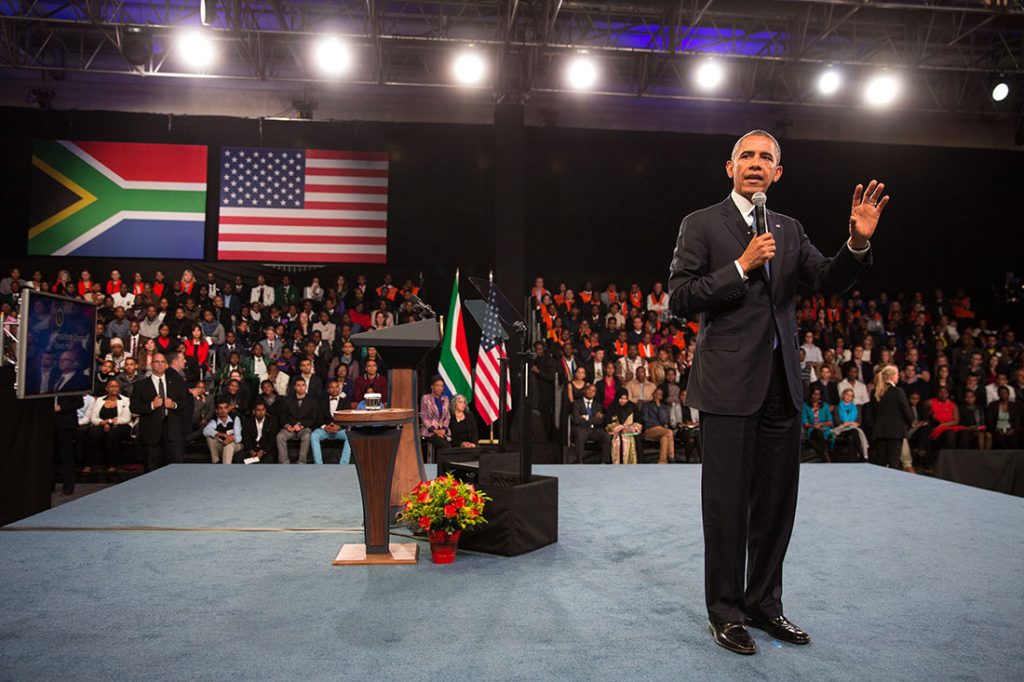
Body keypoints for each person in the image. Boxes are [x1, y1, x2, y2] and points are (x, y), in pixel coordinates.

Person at [668, 129, 886, 654]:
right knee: (726, 507)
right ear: (730, 167)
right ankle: (725, 612)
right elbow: (680, 297)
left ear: (778, 172)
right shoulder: (701, 223)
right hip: (727, 387)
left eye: (766, 157)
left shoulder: (790, 229)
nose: (756, 163)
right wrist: (741, 266)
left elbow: (828, 280)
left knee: (775, 506)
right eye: (746, 155)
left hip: (782, 387)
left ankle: (764, 604)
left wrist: (857, 243)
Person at [130, 353, 189, 471]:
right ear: (151, 364)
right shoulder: (141, 385)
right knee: (152, 469)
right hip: (151, 433)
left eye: (162, 362)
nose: (160, 364)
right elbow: (134, 407)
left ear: (167, 365)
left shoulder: (177, 383)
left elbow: (185, 403)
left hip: (172, 432)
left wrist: (173, 405)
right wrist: (152, 405)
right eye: (157, 362)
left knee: (174, 470)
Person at [84, 378, 132, 473]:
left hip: (120, 425)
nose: (114, 389)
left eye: (116, 386)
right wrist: (102, 423)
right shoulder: (99, 400)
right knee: (94, 433)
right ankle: (91, 464)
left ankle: (112, 464)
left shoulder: (126, 400)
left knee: (112, 434)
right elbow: (93, 417)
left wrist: (109, 422)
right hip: (101, 424)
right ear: (107, 388)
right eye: (112, 386)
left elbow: (126, 418)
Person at [871, 365, 914, 469]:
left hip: (880, 431)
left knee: (881, 462)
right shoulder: (898, 391)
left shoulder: (876, 392)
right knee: (893, 462)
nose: (898, 377)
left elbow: (874, 412)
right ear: (892, 377)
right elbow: (906, 411)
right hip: (895, 432)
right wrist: (909, 423)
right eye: (897, 374)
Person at [310, 380, 353, 464]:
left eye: (336, 387)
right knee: (314, 435)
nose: (334, 389)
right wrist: (325, 427)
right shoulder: (322, 402)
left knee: (350, 436)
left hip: (340, 430)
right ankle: (318, 464)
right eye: (332, 387)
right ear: (328, 390)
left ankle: (344, 463)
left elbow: (347, 419)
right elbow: (319, 418)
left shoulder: (346, 402)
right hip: (326, 430)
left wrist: (339, 427)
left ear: (339, 389)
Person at [276, 378, 317, 463]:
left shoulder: (312, 401)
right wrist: (288, 425)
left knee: (307, 436)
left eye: (303, 385)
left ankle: (301, 462)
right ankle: (284, 463)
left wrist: (301, 425)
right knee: (280, 436)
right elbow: (283, 416)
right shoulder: (287, 400)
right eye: (298, 385)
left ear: (306, 386)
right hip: (290, 427)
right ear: (294, 387)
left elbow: (313, 418)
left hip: (304, 428)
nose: (301, 387)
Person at [570, 383, 611, 464]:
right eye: (589, 390)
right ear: (585, 390)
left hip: (594, 430)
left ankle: (604, 462)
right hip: (581, 429)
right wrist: (593, 418)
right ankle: (579, 462)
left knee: (606, 436)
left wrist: (586, 417)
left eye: (593, 391)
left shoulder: (598, 405)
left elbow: (600, 421)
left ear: (595, 393)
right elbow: (576, 419)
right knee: (580, 435)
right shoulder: (577, 403)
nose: (591, 392)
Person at [605, 388, 642, 464]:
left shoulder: (632, 407)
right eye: (621, 398)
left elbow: (638, 421)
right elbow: (608, 423)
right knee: (616, 440)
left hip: (630, 432)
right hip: (617, 432)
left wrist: (631, 428)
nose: (623, 401)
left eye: (625, 399)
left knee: (636, 439)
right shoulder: (612, 407)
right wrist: (620, 428)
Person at [640, 386, 675, 464]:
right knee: (669, 432)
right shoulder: (646, 406)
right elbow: (645, 420)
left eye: (660, 394)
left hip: (661, 430)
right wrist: (657, 425)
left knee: (664, 438)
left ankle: (662, 461)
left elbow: (664, 421)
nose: (657, 396)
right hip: (649, 430)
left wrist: (659, 407)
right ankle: (671, 455)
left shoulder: (664, 407)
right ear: (653, 394)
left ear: (661, 397)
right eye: (656, 394)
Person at [801, 387, 835, 461]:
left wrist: (820, 424)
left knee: (813, 441)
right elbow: (805, 423)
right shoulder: (805, 406)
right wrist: (814, 426)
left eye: (818, 394)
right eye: (814, 394)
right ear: (811, 394)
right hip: (812, 429)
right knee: (818, 433)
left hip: (825, 429)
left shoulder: (825, 405)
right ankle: (825, 454)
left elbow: (830, 422)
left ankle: (824, 456)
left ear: (820, 396)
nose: (816, 396)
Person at [419, 377, 450, 450]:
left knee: (451, 444)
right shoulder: (426, 398)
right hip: (429, 431)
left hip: (442, 430)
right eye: (437, 385)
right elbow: (424, 417)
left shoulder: (445, 399)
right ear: (432, 386)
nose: (439, 388)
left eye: (441, 386)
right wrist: (435, 431)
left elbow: (447, 416)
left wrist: (443, 429)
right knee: (446, 446)